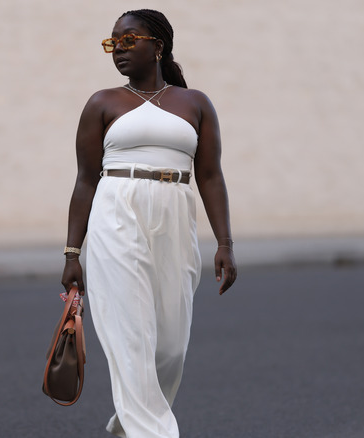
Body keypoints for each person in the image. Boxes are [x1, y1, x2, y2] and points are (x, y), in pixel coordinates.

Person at [60, 9, 237, 438]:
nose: (118, 50)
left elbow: (210, 176)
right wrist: (72, 253)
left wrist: (224, 243)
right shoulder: (102, 103)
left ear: (157, 46)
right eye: (112, 43)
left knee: (171, 347)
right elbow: (85, 181)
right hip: (116, 214)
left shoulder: (195, 103)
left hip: (175, 216)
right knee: (131, 339)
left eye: (128, 40)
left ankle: (128, 425)